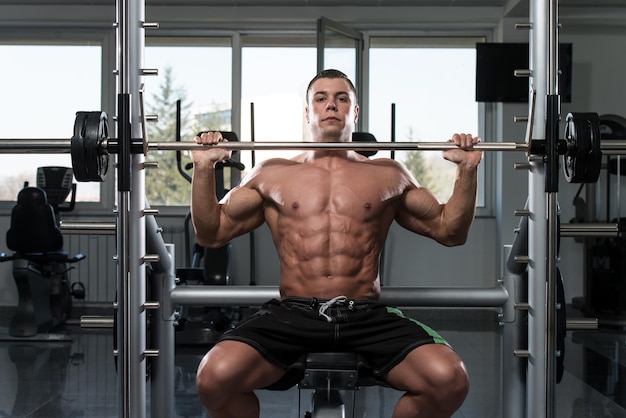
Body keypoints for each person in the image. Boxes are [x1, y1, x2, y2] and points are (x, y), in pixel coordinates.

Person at [190, 69, 483, 418]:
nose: (332, 105)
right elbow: (211, 233)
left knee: (449, 379)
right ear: (307, 112)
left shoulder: (388, 174)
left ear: (354, 112)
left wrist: (466, 171)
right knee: (214, 378)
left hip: (365, 316)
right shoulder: (271, 173)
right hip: (293, 315)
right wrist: (203, 169)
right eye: (321, 98)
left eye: (342, 98)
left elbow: (451, 231)